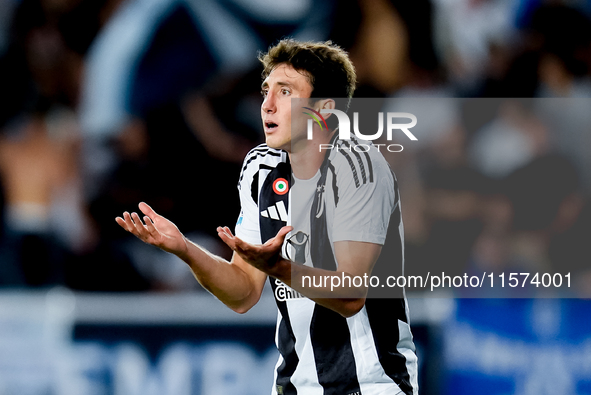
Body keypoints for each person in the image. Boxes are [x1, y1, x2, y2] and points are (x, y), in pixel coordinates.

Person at [116, 38, 418, 395]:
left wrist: (279, 268)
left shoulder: (361, 167)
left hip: (371, 386)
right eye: (265, 91)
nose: (267, 106)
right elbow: (243, 293)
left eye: (285, 92)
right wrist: (185, 249)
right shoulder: (260, 168)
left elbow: (351, 295)